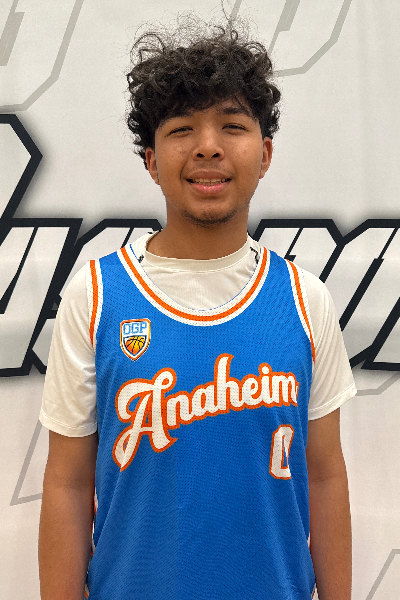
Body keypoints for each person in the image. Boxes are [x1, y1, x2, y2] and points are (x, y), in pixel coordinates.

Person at [38, 19, 356, 600]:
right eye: (182, 128)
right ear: (151, 160)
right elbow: (67, 482)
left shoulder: (304, 300)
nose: (208, 146)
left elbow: (327, 475)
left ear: (264, 153)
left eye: (232, 125)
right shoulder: (96, 296)